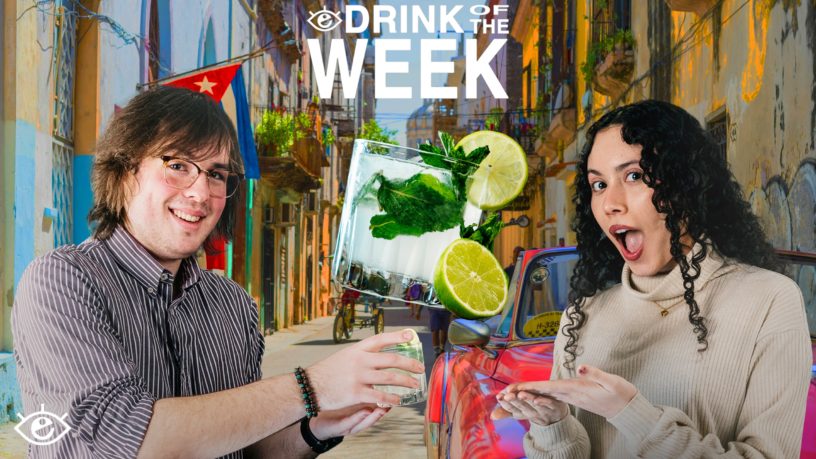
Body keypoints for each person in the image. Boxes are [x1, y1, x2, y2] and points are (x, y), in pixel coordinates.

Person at [12, 86, 424, 458]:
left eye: (216, 174)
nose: (199, 192)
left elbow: (247, 447)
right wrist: (313, 386)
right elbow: (135, 441)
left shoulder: (232, 304)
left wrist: (317, 428)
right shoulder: (61, 280)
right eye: (177, 165)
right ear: (123, 173)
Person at [493, 100, 812, 458]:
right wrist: (553, 426)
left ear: (684, 183)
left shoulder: (769, 300)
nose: (610, 203)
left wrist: (630, 412)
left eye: (634, 176)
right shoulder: (582, 316)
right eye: (598, 184)